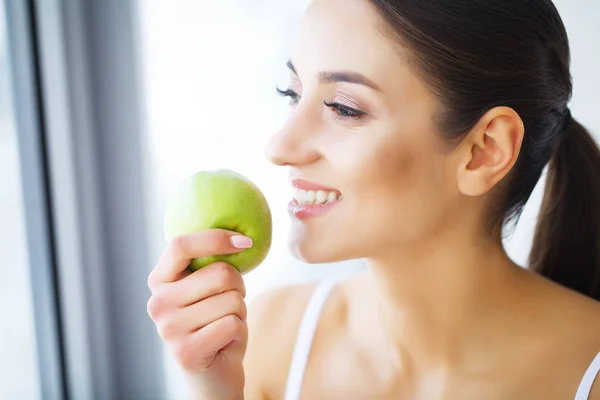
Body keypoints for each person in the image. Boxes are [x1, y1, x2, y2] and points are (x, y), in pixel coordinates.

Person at [146, 0, 600, 398]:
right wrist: (214, 393)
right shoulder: (265, 344)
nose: (280, 147)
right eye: (293, 94)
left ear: (484, 151)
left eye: (344, 108)